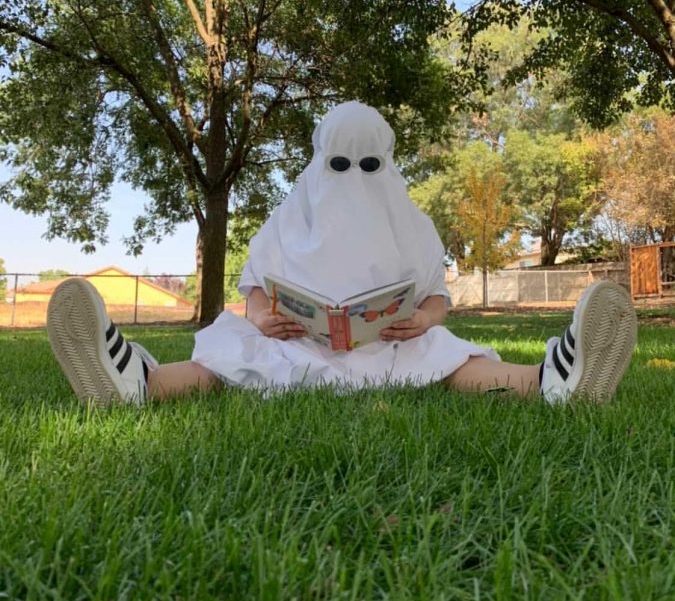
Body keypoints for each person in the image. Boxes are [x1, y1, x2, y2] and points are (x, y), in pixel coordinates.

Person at [47, 101, 637, 407]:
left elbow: (437, 296)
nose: (354, 178)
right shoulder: (288, 215)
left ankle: (551, 383)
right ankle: (137, 383)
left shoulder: (412, 221)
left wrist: (424, 319)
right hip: (293, 347)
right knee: (226, 355)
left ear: (388, 160)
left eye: (369, 165)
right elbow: (254, 285)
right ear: (318, 159)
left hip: (392, 348)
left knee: (454, 357)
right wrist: (259, 315)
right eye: (339, 164)